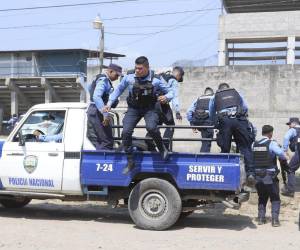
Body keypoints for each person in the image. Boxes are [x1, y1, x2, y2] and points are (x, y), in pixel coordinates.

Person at [103, 56, 174, 174]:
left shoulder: (156, 80)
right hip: (134, 109)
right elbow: (118, 90)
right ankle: (130, 161)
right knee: (125, 132)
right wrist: (109, 103)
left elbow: (171, 91)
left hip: (150, 108)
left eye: (140, 68)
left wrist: (166, 97)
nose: (137, 70)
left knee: (151, 127)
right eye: (136, 68)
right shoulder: (129, 78)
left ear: (147, 68)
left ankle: (162, 148)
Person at [209, 82, 255, 184]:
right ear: (228, 88)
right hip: (239, 120)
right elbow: (245, 107)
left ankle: (225, 172)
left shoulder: (215, 96)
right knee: (245, 147)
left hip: (225, 121)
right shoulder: (236, 93)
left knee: (225, 148)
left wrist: (214, 123)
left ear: (219, 89)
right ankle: (250, 173)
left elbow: (211, 112)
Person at [253, 125, 287, 227]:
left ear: (262, 133)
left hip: (257, 176)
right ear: (270, 133)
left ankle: (260, 219)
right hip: (270, 176)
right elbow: (281, 154)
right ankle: (275, 220)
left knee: (262, 197)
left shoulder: (254, 144)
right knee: (275, 197)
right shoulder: (272, 143)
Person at [147, 67, 184, 150]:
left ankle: (148, 141)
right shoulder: (173, 81)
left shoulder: (160, 76)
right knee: (171, 125)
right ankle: (165, 146)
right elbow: (175, 96)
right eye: (179, 78)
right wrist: (177, 112)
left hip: (151, 104)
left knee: (156, 124)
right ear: (178, 75)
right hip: (162, 104)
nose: (178, 80)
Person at [87, 63, 122, 150]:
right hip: (98, 111)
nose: (117, 77)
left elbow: (89, 89)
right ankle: (104, 162)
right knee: (107, 141)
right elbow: (96, 96)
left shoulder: (99, 78)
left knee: (100, 139)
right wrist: (105, 115)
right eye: (116, 75)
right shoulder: (103, 80)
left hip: (94, 109)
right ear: (110, 71)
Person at [186, 87, 214, 152]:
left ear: (204, 93)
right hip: (208, 122)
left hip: (198, 122)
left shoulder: (199, 98)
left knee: (204, 141)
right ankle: (203, 160)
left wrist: (192, 123)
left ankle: (202, 158)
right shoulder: (213, 98)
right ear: (212, 93)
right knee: (207, 142)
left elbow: (189, 111)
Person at [281, 117, 300, 197]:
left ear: (294, 123)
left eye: (289, 124)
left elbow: (286, 138)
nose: (289, 126)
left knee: (290, 169)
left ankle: (290, 190)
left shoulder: (293, 130)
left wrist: (284, 150)